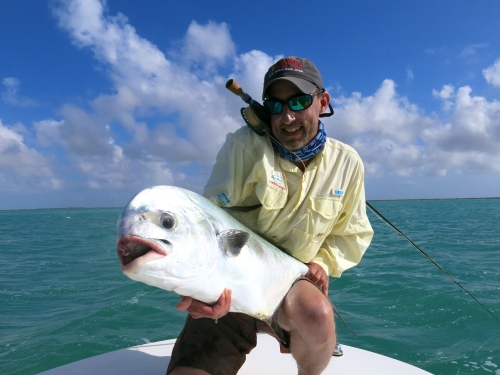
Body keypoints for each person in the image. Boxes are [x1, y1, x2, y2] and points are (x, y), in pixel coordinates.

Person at [167, 57, 374, 375]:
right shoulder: (243, 147)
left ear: (323, 101)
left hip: (289, 286)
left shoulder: (347, 164)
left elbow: (352, 232)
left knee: (318, 314)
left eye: (300, 101)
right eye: (275, 106)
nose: (287, 116)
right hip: (231, 287)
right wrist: (199, 289)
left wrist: (322, 262)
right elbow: (205, 224)